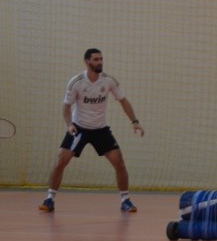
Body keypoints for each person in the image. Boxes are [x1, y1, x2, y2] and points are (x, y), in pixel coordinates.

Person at [39, 49, 144, 213]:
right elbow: (66, 106)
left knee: (119, 162)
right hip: (79, 128)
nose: (100, 62)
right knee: (60, 161)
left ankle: (125, 201)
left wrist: (135, 122)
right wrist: (69, 125)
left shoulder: (108, 81)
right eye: (96, 59)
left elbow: (123, 101)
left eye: (101, 59)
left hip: (100, 129)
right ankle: (49, 199)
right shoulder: (76, 82)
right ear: (87, 62)